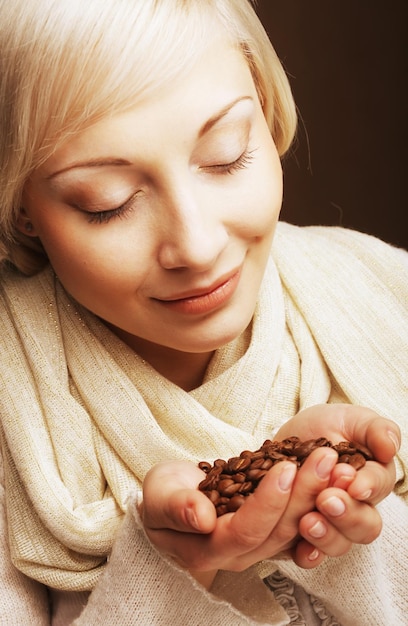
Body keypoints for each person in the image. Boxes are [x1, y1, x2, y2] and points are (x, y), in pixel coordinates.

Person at [0, 0, 407, 624]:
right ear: (21, 205)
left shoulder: (388, 293)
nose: (195, 246)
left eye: (227, 155)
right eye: (105, 203)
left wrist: (350, 538)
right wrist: (172, 572)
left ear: (267, 117)